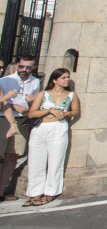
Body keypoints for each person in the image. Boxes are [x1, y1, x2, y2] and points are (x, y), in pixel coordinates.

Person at [22, 68, 80, 207]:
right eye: (63, 77)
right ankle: (34, 193)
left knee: (56, 161)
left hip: (59, 128)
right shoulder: (43, 94)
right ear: (54, 80)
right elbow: (32, 113)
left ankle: (50, 192)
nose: (66, 80)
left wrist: (65, 114)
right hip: (41, 128)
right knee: (36, 161)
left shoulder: (71, 95)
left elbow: (76, 112)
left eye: (67, 77)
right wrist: (49, 110)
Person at [0, 54, 41, 202]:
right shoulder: (5, 80)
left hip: (22, 121)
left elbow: (36, 105)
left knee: (13, 156)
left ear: (34, 67)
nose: (24, 69)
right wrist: (13, 105)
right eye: (22, 66)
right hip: (4, 120)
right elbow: (1, 102)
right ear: (17, 66)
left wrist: (31, 103)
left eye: (28, 67)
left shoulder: (35, 82)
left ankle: (1, 191)